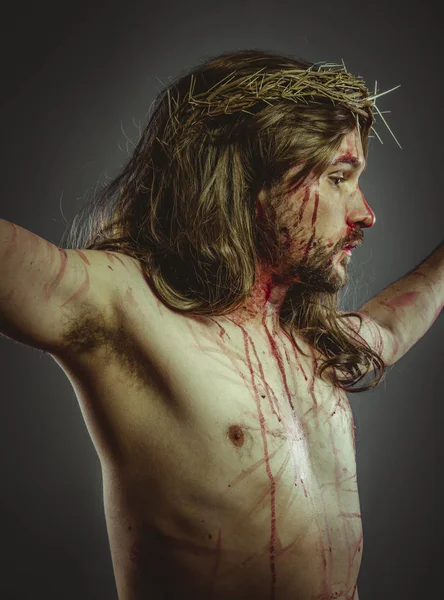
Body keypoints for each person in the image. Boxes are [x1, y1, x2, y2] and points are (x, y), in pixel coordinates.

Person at [0, 49, 442, 600]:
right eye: (337, 178)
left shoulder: (309, 340)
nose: (365, 214)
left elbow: (390, 328)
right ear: (251, 181)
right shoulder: (124, 303)